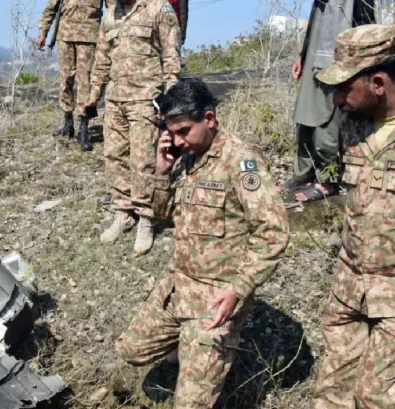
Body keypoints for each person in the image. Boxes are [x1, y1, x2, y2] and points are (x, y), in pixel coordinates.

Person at [115, 78, 290, 407]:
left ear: (208, 119)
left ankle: (211, 349)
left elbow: (273, 231)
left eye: (183, 131)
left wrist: (239, 287)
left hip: (217, 296)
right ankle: (183, 345)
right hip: (179, 285)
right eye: (172, 132)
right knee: (130, 350)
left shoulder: (241, 162)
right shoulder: (186, 157)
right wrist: (162, 172)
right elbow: (165, 216)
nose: (177, 140)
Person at [312, 24, 395, 408]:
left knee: (375, 397)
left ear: (378, 82)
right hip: (351, 282)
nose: (336, 99)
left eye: (344, 88)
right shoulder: (352, 124)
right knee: (331, 394)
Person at [87, 0, 181, 255]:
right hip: (115, 99)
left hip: (145, 98)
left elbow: (171, 54)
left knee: (143, 161)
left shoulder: (158, 9)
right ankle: (122, 212)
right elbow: (102, 58)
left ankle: (146, 218)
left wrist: (171, 97)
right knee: (114, 156)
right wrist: (94, 92)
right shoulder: (110, 14)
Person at [282, 0, 375, 202]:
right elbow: (315, 25)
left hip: (338, 60)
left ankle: (327, 181)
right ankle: (303, 173)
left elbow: (366, 26)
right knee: (306, 111)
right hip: (315, 57)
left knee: (327, 115)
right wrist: (303, 55)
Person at [36, 0, 112, 151]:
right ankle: (68, 124)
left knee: (85, 82)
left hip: (89, 37)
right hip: (65, 36)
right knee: (65, 80)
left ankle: (83, 128)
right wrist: (42, 33)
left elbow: (114, 9)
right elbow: (51, 8)